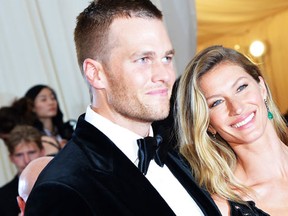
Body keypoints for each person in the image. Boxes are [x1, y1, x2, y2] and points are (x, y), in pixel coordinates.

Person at [24, 1, 221, 215]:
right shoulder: (62, 189)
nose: (164, 75)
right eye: (143, 59)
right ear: (95, 73)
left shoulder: (176, 153)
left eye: (167, 58)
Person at [176, 45, 288, 215]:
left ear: (262, 88)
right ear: (208, 124)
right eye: (217, 102)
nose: (237, 108)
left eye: (241, 88)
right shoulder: (224, 208)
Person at [0, 125, 45, 216]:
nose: (26, 160)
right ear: (11, 158)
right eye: (19, 155)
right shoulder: (2, 197)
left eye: (31, 152)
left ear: (42, 152)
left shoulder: (63, 183)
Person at [24, 84, 75, 155]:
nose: (51, 102)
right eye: (43, 100)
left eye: (53, 98)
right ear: (32, 107)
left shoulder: (69, 129)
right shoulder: (31, 137)